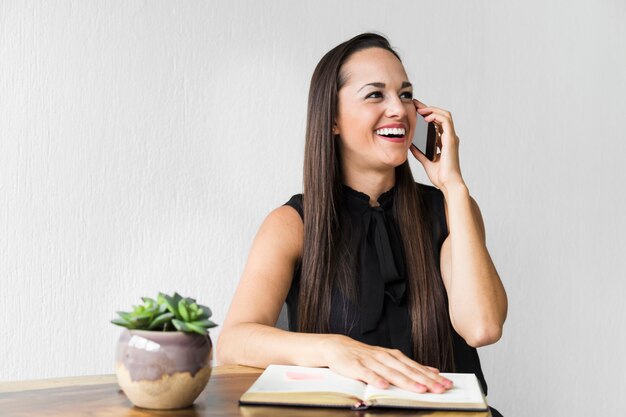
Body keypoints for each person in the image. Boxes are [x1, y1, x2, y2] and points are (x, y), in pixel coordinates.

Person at [217, 32, 507, 409]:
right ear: (333, 120)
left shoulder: (451, 209)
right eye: (376, 94)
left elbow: (482, 327)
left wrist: (453, 185)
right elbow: (234, 342)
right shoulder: (292, 223)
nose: (399, 110)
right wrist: (337, 349)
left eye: (405, 95)